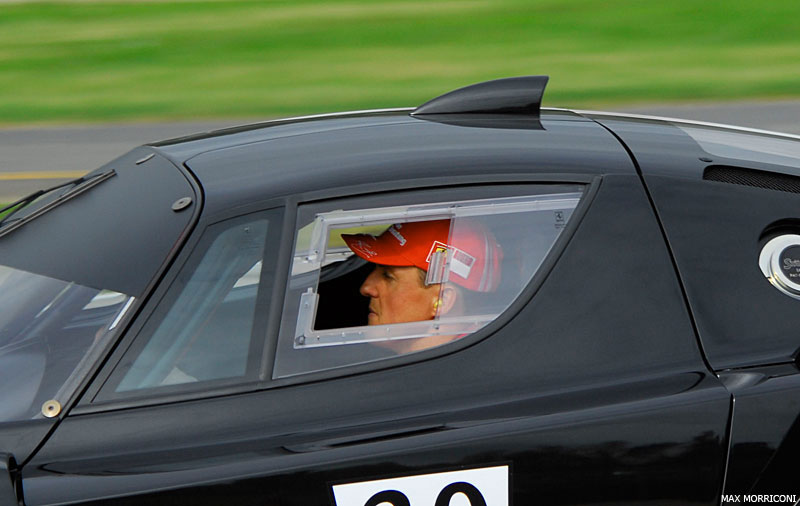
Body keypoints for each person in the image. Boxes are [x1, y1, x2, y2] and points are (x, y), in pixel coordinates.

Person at [342, 219, 502, 354]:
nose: (366, 287)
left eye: (388, 276)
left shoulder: (447, 385)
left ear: (442, 301)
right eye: (375, 270)